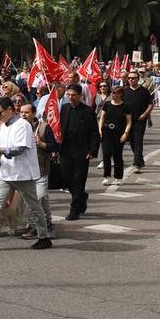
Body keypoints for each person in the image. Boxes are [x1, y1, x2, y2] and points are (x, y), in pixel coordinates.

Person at [0, 97, 52, 250]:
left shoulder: (23, 125)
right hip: (6, 173)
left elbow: (18, 150)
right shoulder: (4, 127)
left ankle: (44, 236)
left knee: (34, 206)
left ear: (10, 110)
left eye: (0, 113)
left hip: (23, 174)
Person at [58, 84, 100, 220]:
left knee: (78, 180)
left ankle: (74, 209)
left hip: (82, 151)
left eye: (74, 95)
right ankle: (81, 196)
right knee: (65, 178)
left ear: (80, 96)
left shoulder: (88, 111)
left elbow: (95, 133)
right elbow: (58, 129)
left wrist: (93, 150)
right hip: (65, 150)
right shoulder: (64, 109)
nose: (70, 97)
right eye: (68, 95)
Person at [20, 102, 57, 239]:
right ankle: (40, 224)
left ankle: (41, 225)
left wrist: (42, 144)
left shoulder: (43, 127)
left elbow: (55, 147)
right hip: (24, 171)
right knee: (34, 200)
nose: (23, 115)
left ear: (34, 114)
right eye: (21, 112)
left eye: (26, 112)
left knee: (40, 197)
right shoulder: (17, 128)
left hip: (40, 170)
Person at [97, 85, 130, 186]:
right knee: (106, 154)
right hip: (107, 132)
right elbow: (102, 118)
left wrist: (125, 134)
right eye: (112, 92)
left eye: (115, 93)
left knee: (117, 155)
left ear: (120, 94)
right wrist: (100, 130)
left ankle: (118, 177)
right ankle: (106, 176)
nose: (112, 94)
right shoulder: (107, 104)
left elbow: (129, 122)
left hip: (119, 133)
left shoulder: (125, 106)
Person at [120, 70, 153, 173]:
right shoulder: (124, 91)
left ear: (138, 79)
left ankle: (136, 164)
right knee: (132, 141)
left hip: (140, 120)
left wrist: (145, 114)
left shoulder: (144, 91)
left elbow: (150, 104)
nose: (131, 80)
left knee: (138, 141)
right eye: (129, 78)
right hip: (127, 121)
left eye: (133, 78)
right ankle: (140, 158)